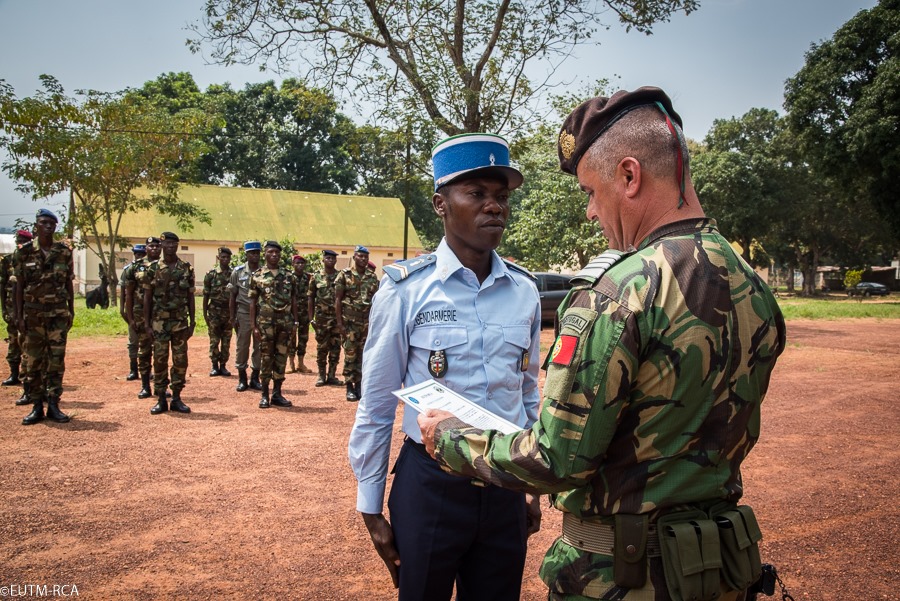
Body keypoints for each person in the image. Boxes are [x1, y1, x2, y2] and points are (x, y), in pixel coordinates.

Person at [417, 88, 787, 601]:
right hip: (719, 571)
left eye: (591, 191)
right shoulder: (752, 284)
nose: (590, 212)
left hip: (621, 579)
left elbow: (556, 459)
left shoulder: (619, 295)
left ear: (629, 176)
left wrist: (449, 440)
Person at [348, 133, 543, 601]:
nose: (493, 206)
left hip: (504, 479)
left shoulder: (524, 290)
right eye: (476, 194)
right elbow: (376, 405)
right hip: (432, 484)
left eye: (501, 196)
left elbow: (528, 391)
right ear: (440, 204)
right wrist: (370, 506)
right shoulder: (404, 291)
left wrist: (532, 482)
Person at [15, 209, 74, 425]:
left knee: (56, 361)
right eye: (44, 223)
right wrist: (19, 316)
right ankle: (36, 406)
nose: (48, 226)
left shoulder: (64, 252)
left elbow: (68, 282)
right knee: (34, 362)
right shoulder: (24, 252)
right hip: (33, 316)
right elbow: (19, 287)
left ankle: (54, 404)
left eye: (51, 223)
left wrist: (71, 310)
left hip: (58, 315)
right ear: (36, 226)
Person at [143, 231, 195, 414]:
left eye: (174, 244)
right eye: (167, 244)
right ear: (162, 246)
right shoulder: (152, 268)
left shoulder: (186, 268)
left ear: (177, 245)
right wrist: (147, 324)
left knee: (181, 360)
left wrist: (193, 321)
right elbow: (147, 297)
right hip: (159, 323)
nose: (170, 247)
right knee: (160, 360)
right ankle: (160, 398)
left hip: (180, 323)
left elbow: (190, 296)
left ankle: (177, 397)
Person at [249, 240, 298, 408]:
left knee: (281, 358)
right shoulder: (257, 275)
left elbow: (293, 300)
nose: (274, 255)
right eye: (271, 252)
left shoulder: (289, 276)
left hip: (285, 324)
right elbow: (253, 302)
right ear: (265, 254)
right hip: (265, 324)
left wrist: (295, 322)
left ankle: (277, 393)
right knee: (266, 358)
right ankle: (264, 394)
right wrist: (253, 326)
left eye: (277, 253)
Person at [334, 245, 379, 401]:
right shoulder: (344, 275)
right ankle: (349, 386)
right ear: (354, 257)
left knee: (364, 355)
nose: (364, 259)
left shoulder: (372, 277)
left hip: (366, 323)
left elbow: (376, 301)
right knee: (350, 355)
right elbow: (338, 300)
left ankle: (359, 385)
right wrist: (340, 323)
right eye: (360, 256)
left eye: (366, 257)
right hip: (349, 322)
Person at [126, 237, 161, 399]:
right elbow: (128, 294)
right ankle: (145, 386)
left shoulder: (165, 266)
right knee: (144, 350)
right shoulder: (134, 268)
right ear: (146, 248)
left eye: (156, 246)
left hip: (161, 316)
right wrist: (130, 318)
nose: (154, 248)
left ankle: (160, 386)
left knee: (161, 353)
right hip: (141, 316)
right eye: (151, 246)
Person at [1, 228, 33, 406]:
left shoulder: (32, 259)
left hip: (29, 309)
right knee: (13, 341)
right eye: (19, 239)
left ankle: (26, 378)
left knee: (27, 344)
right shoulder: (8, 260)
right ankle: (14, 374)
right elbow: (3, 286)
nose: (20, 242)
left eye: (24, 239)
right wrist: (3, 310)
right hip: (11, 308)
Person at [229, 241, 264, 393]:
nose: (254, 256)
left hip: (261, 313)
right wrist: (232, 317)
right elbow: (232, 295)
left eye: (257, 253)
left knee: (259, 346)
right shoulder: (238, 272)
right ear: (246, 254)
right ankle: (242, 378)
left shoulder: (264, 272)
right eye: (252, 253)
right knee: (242, 345)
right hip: (243, 312)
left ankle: (255, 377)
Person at [308, 249, 342, 387]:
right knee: (322, 348)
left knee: (335, 347)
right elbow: (310, 297)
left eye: (333, 259)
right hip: (321, 319)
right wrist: (311, 318)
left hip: (336, 318)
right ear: (323, 260)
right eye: (328, 258)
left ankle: (332, 375)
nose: (331, 261)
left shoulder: (341, 277)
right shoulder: (316, 277)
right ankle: (321, 375)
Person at [203, 246, 234, 377]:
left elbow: (235, 296)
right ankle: (215, 366)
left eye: (227, 257)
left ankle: (223, 365)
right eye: (222, 257)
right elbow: (205, 296)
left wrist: (234, 315)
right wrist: (205, 315)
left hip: (228, 311)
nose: (225, 259)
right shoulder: (211, 274)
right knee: (214, 340)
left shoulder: (233, 275)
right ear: (218, 258)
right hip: (214, 311)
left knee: (226, 340)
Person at [119, 243, 146, 382]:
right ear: (133, 254)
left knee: (148, 343)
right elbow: (124, 293)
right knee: (133, 342)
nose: (139, 257)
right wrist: (123, 311)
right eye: (137, 254)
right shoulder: (128, 270)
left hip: (147, 313)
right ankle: (133, 369)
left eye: (142, 254)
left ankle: (146, 370)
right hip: (133, 311)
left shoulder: (149, 269)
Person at [288, 254, 313, 374]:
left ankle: (301, 363)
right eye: (297, 263)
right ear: (293, 264)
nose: (300, 265)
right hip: (291, 313)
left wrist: (310, 314)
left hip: (304, 313)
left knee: (303, 338)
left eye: (302, 263)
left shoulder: (308, 278)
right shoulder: (288, 277)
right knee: (291, 338)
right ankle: (291, 364)